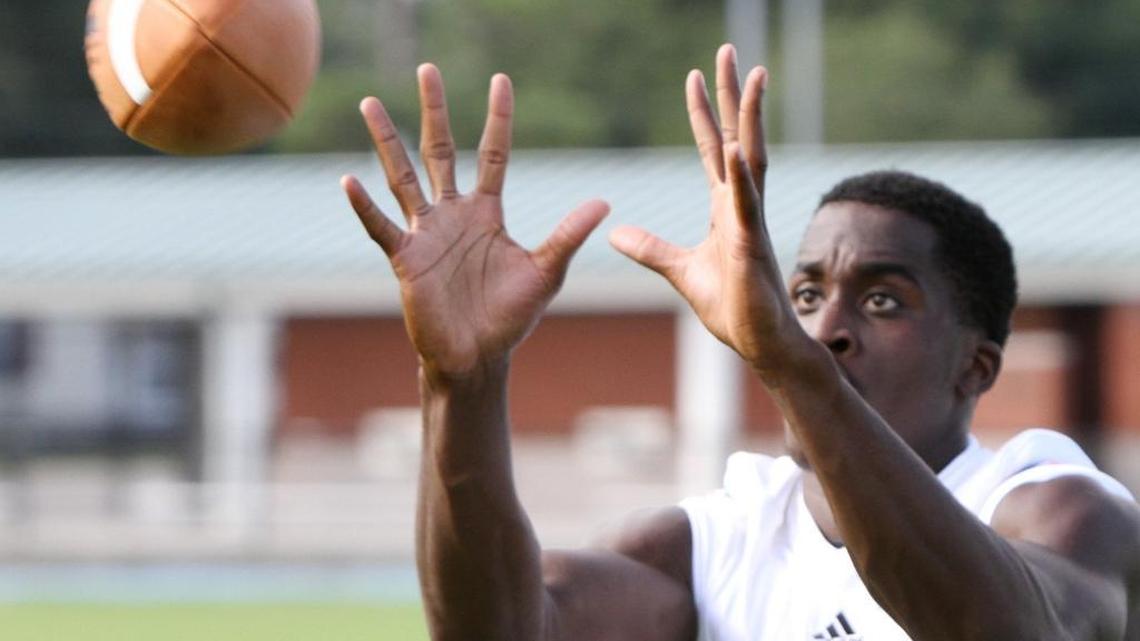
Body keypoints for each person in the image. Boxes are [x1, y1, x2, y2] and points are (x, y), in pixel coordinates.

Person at [340, 44, 1140, 641]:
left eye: (883, 299)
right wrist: (460, 383)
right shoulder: (712, 547)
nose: (828, 327)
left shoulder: (1055, 506)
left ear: (976, 364)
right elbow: (498, 630)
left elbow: (1006, 628)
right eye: (805, 294)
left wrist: (793, 363)